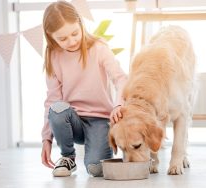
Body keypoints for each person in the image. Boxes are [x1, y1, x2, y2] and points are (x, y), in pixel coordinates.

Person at [41, 1, 127, 177]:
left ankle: (94, 156)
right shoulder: (53, 56)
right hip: (72, 121)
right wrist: (46, 139)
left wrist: (119, 105)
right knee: (56, 109)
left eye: (74, 33)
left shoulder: (99, 48)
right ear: (51, 37)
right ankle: (67, 157)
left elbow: (121, 79)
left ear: (81, 24)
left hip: (100, 120)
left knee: (96, 168)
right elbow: (52, 99)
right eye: (62, 39)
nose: (71, 41)